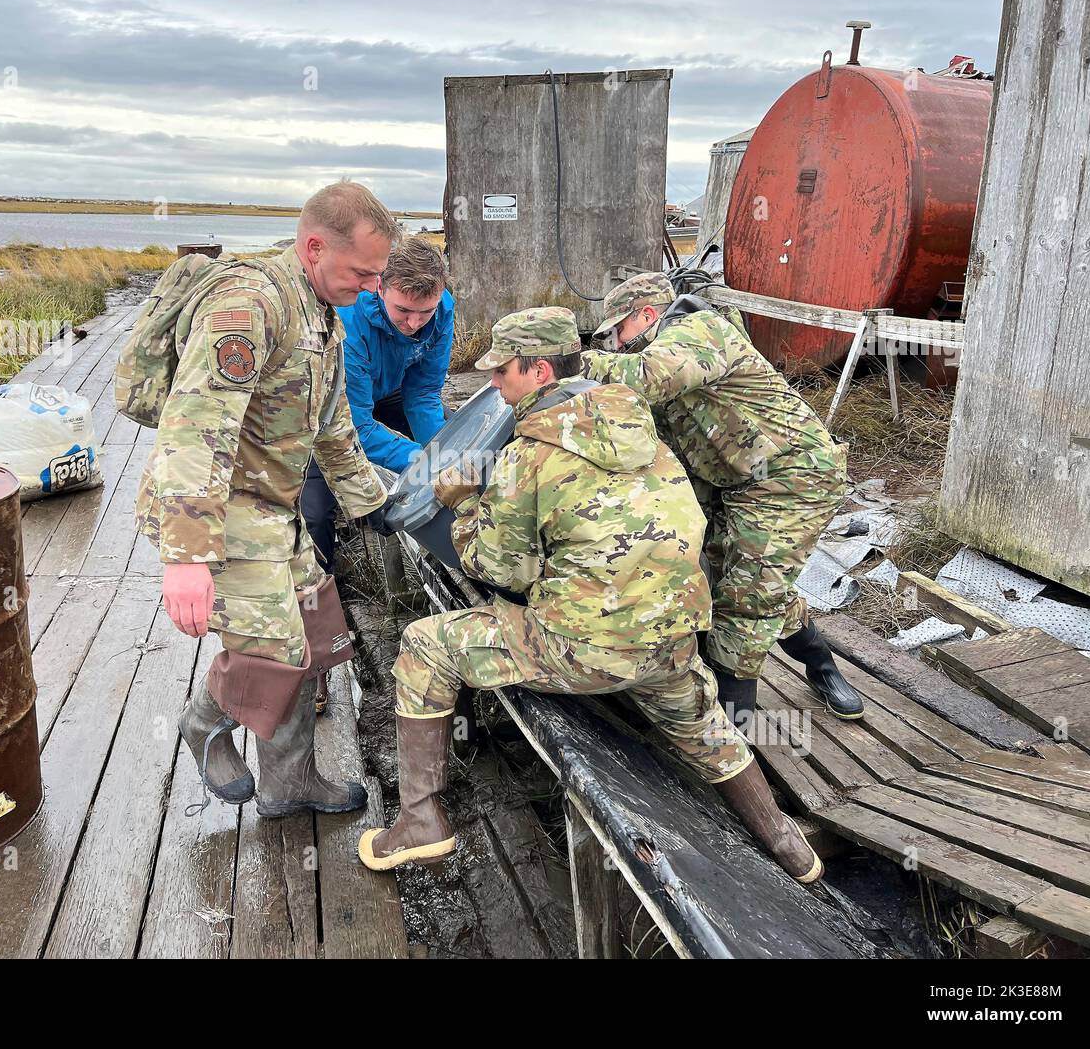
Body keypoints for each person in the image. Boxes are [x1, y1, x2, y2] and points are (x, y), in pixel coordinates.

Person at [357, 306, 824, 884]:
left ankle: (421, 821)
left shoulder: (526, 454)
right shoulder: (642, 427)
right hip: (674, 643)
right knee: (706, 729)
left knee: (424, 645)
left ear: (541, 373)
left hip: (581, 651)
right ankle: (785, 840)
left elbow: (498, 568)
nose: (493, 386)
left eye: (502, 373)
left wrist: (465, 503)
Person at [133, 180, 396, 817]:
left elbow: (328, 425)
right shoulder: (248, 306)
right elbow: (196, 425)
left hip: (272, 508)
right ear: (314, 247)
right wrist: (187, 558)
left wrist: (371, 502)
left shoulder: (322, 312)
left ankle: (288, 781)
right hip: (217, 512)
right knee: (273, 648)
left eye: (377, 275)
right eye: (362, 272)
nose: (371, 288)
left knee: (319, 630)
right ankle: (205, 724)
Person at [582, 272, 865, 728]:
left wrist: (563, 363)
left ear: (648, 315)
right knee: (732, 582)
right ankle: (821, 663)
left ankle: (736, 735)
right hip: (732, 484)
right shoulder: (653, 361)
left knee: (747, 599)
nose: (614, 344)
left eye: (618, 332)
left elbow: (649, 377)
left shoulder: (698, 332)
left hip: (795, 476)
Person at [300, 236, 454, 575]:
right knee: (313, 514)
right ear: (380, 286)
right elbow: (356, 427)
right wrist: (423, 463)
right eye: (403, 311)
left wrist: (443, 458)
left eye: (425, 312)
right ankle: (320, 590)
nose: (415, 323)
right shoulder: (348, 321)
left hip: (390, 391)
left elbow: (424, 393)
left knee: (458, 439)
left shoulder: (442, 309)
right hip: (331, 406)